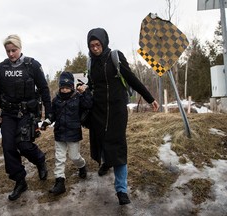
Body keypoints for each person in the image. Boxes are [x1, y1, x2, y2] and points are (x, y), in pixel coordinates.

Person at [86, 28, 159, 205]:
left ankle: (121, 190)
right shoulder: (90, 62)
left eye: (98, 45)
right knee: (101, 141)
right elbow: (92, 84)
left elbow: (132, 78)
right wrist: (84, 89)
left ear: (104, 43)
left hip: (117, 111)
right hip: (98, 111)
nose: (95, 48)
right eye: (92, 45)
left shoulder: (115, 57)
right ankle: (106, 162)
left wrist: (150, 98)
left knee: (118, 147)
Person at [0, 34, 52, 201]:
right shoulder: (1, 68)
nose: (10, 54)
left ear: (20, 48)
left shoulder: (32, 65)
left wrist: (49, 112)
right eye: (8, 51)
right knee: (8, 146)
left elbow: (44, 89)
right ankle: (20, 181)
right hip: (8, 114)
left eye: (14, 50)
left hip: (27, 113)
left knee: (23, 144)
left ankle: (40, 160)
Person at [40, 71, 93, 195]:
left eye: (67, 87)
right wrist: (46, 122)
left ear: (72, 87)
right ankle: (60, 182)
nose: (64, 90)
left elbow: (88, 104)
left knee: (74, 156)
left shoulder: (78, 98)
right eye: (62, 87)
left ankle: (82, 165)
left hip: (73, 133)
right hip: (59, 133)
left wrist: (85, 92)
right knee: (59, 158)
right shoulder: (56, 100)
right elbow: (52, 114)